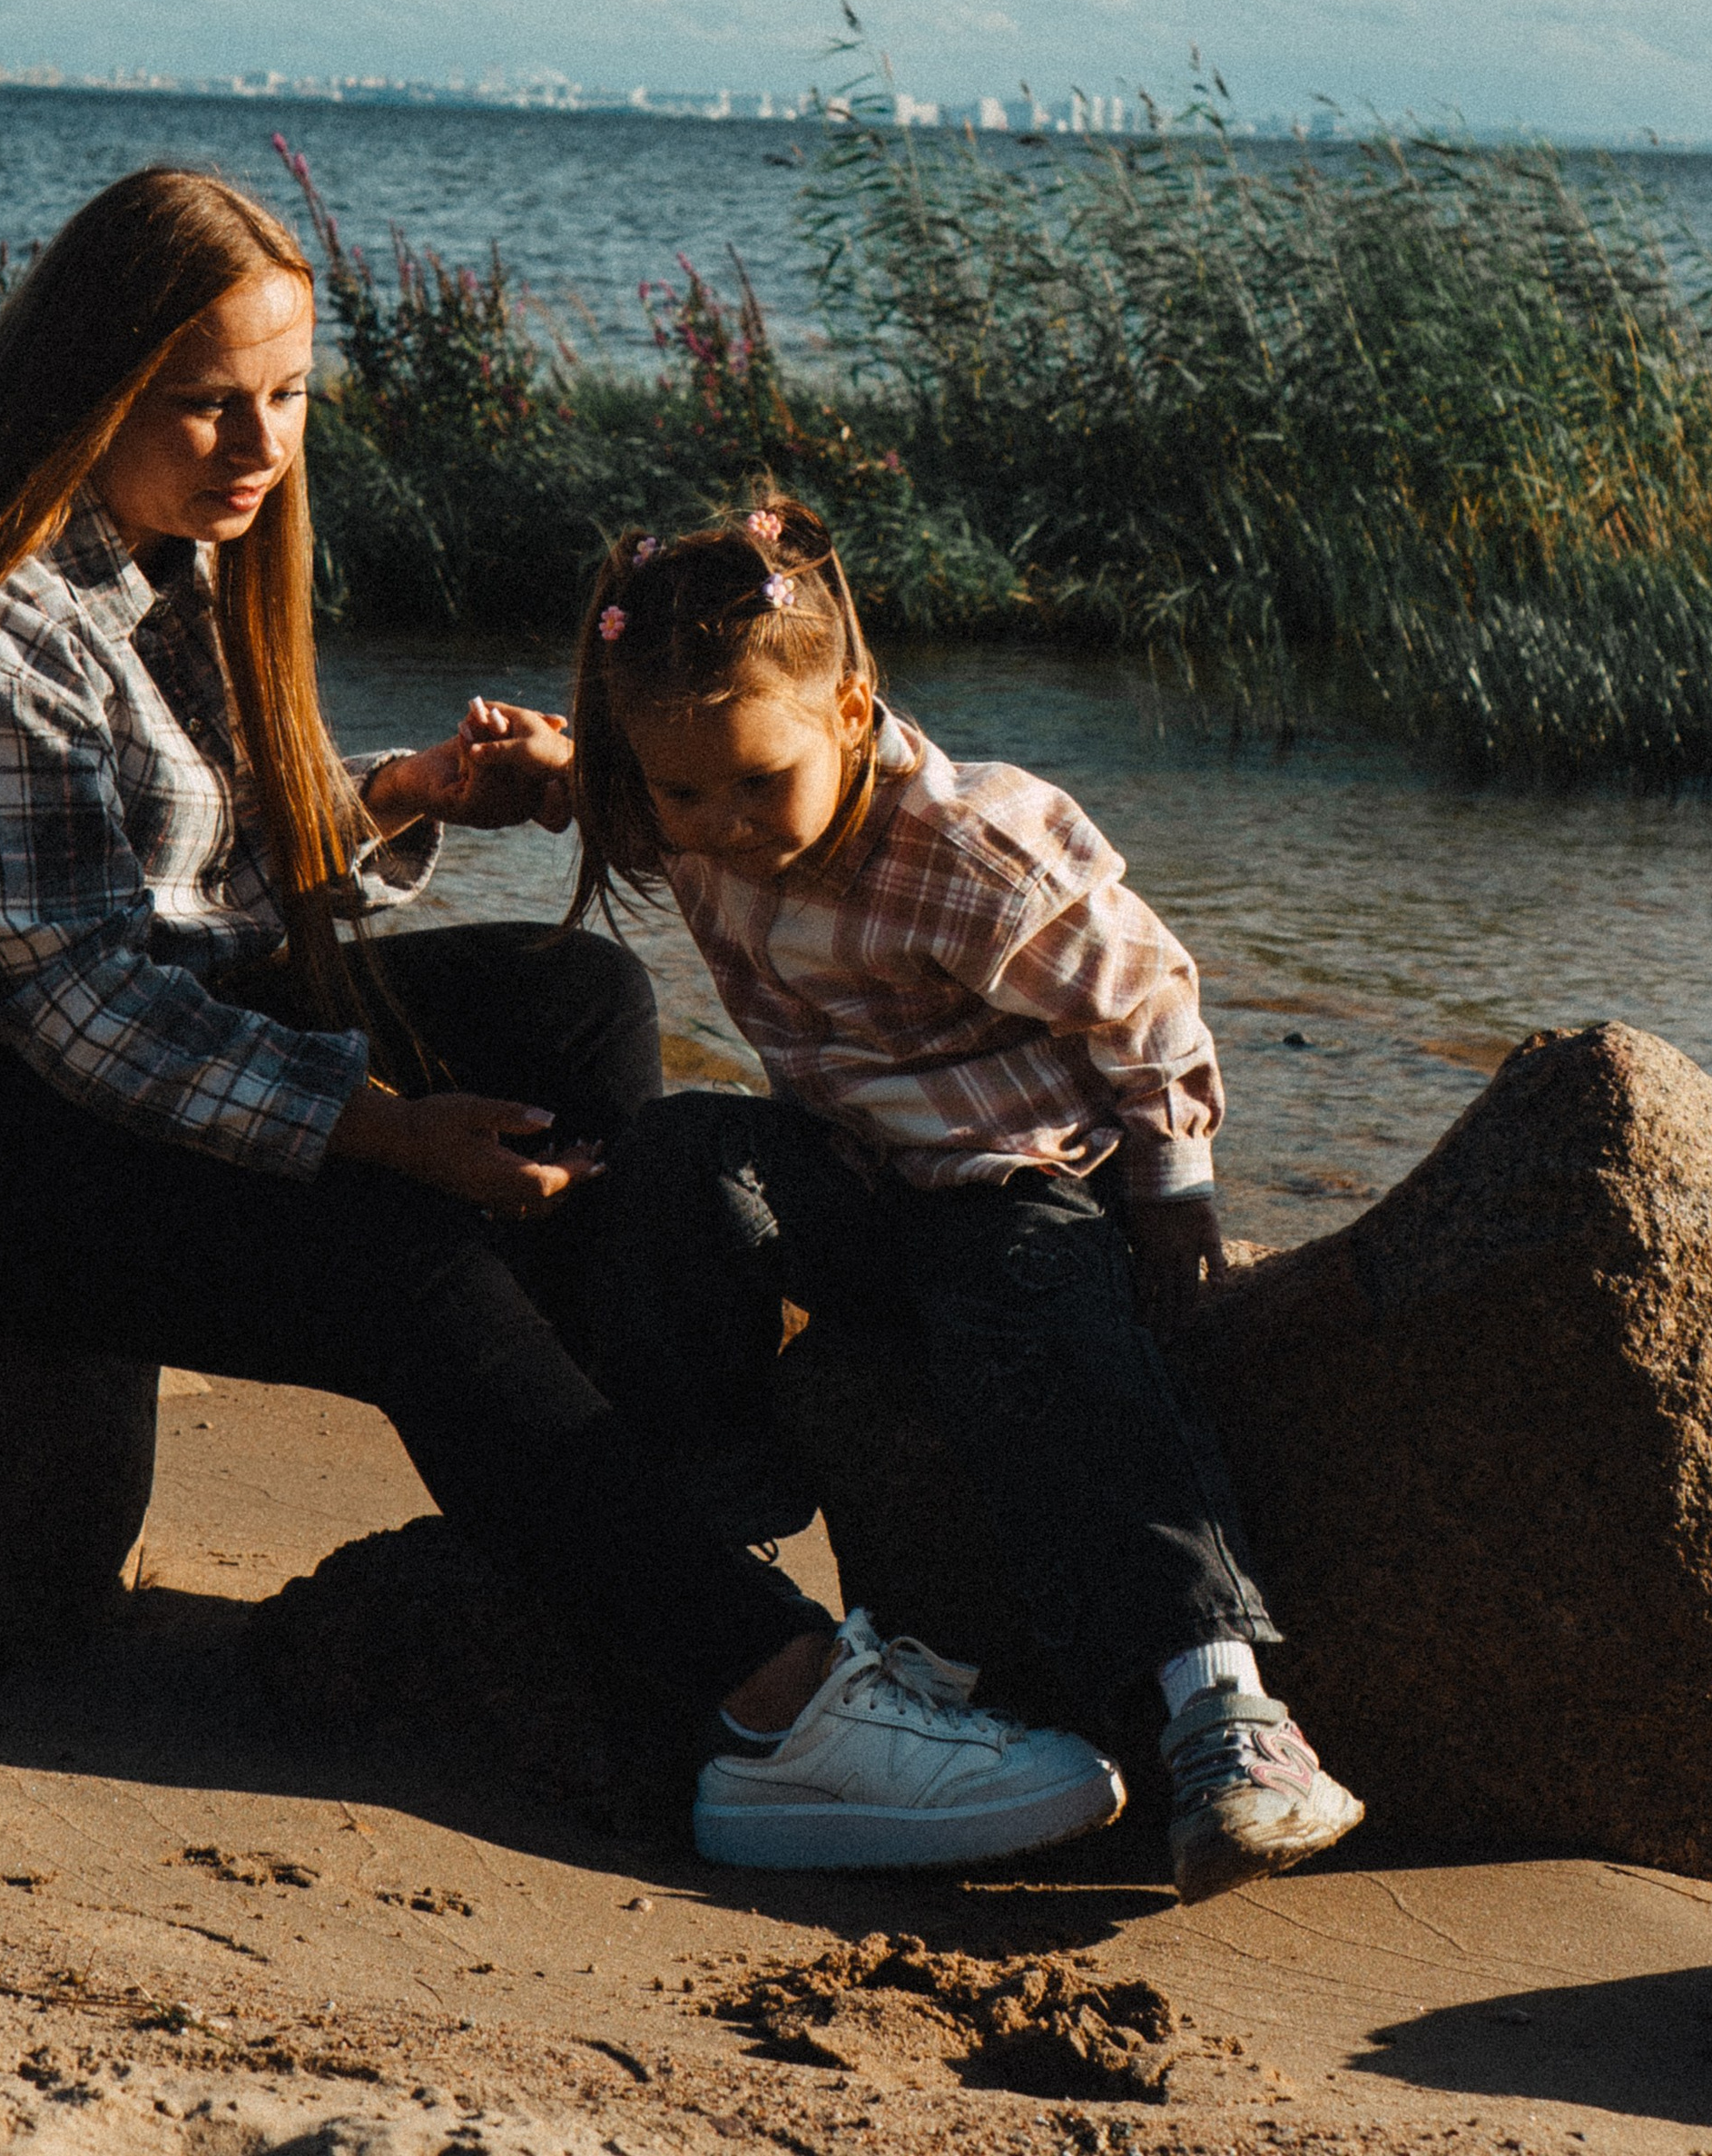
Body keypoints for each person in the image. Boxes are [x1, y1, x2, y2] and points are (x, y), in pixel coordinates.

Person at [0, 167, 1119, 1874]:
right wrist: (380, 1128)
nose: (258, 443)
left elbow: (179, 866)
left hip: (102, 1034)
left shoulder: (171, 558)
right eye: (206, 402)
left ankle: (645, 1518)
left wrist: (401, 795)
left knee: (574, 998)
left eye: (287, 397)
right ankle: (773, 1703)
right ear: (85, 394)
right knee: (393, 1260)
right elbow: (81, 1000)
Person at [553, 496, 1366, 1897]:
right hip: (857, 1180)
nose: (723, 827)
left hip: (1022, 1180)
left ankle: (1225, 1709)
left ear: (849, 712)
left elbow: (1148, 999)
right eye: (685, 795)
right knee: (677, 1159)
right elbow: (592, 785)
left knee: (1052, 1345)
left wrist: (1176, 1188)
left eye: (757, 785)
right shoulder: (684, 796)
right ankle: (729, 1497)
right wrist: (468, 776)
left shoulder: (973, 846)